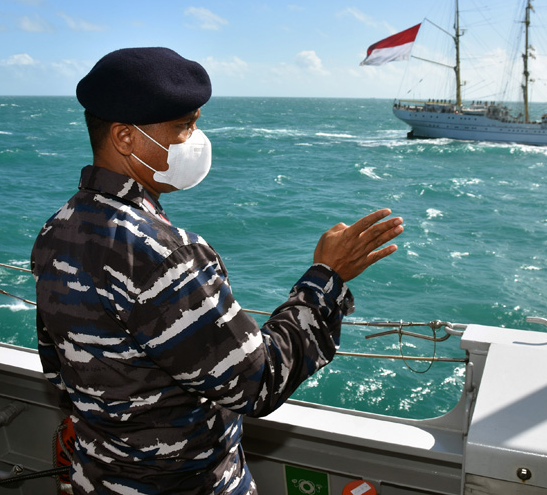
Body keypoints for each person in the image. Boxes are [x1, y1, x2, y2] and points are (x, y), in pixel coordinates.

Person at [31, 47, 403, 495]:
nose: (195, 139)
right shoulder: (160, 253)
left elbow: (58, 367)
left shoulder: (59, 229)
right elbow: (258, 383)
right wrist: (324, 277)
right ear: (125, 138)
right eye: (183, 126)